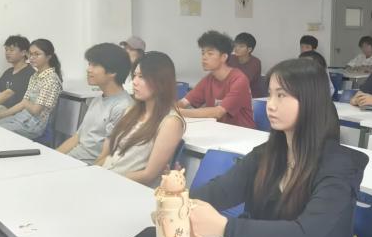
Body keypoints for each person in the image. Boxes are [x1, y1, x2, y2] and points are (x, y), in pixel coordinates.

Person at [190, 58, 368, 237]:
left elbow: (304, 235)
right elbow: (219, 192)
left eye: (282, 95)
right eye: (270, 94)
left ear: (310, 101)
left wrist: (225, 228)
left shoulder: (338, 166)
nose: (270, 105)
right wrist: (176, 200)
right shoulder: (268, 154)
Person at [95, 52, 185, 187]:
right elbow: (111, 156)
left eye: (142, 77)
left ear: (160, 81)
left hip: (127, 188)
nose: (134, 82)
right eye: (134, 76)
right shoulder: (131, 111)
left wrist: (107, 180)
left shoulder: (170, 122)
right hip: (106, 177)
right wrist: (94, 171)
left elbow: (148, 175)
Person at [57, 43, 132, 164]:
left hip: (88, 167)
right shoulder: (97, 99)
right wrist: (54, 157)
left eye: (95, 65)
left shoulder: (123, 107)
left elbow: (108, 156)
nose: (88, 69)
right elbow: (77, 137)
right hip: (72, 160)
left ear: (112, 71)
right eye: (89, 64)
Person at [0, 39, 63, 139]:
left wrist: (25, 103)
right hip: (21, 118)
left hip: (31, 126)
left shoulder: (51, 79)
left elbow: (35, 110)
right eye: (30, 54)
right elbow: (22, 104)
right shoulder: (35, 76)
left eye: (37, 54)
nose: (32, 57)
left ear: (48, 57)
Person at [178, 31, 255, 128]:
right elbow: (184, 102)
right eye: (203, 53)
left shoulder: (239, 80)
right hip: (218, 130)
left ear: (223, 57)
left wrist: (180, 112)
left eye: (210, 54)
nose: (204, 58)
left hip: (244, 133)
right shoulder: (208, 80)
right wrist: (174, 108)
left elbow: (218, 112)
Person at [0, 35, 35, 120]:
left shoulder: (29, 72)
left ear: (23, 52)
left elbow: (7, 94)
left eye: (11, 50)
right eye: (6, 50)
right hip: (3, 108)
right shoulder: (9, 72)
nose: (7, 53)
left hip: (17, 113)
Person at [228, 32, 264, 97]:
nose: (236, 48)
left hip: (251, 96)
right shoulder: (230, 58)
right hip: (233, 93)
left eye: (241, 46)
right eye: (235, 45)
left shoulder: (255, 62)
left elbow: (242, 82)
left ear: (249, 49)